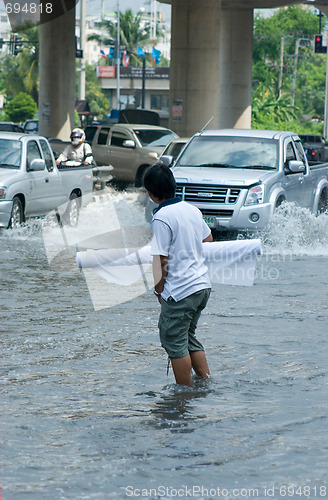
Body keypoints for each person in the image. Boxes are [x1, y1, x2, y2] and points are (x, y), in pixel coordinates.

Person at [143, 163, 213, 386]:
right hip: (201, 287)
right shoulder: (192, 209)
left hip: (181, 291)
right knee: (188, 337)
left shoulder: (162, 217)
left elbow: (160, 258)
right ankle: (205, 383)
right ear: (174, 186)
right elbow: (208, 241)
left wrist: (158, 288)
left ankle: (183, 396)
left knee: (173, 340)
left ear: (151, 194)